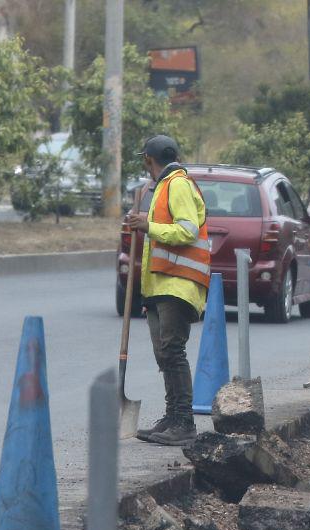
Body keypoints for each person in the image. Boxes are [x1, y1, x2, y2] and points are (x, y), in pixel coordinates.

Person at [124, 135, 210, 447]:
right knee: (165, 355)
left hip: (179, 283)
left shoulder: (178, 184)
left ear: (149, 158)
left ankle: (183, 422)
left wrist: (147, 225)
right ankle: (172, 417)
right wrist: (148, 296)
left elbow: (187, 230)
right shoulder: (161, 186)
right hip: (161, 286)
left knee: (173, 352)